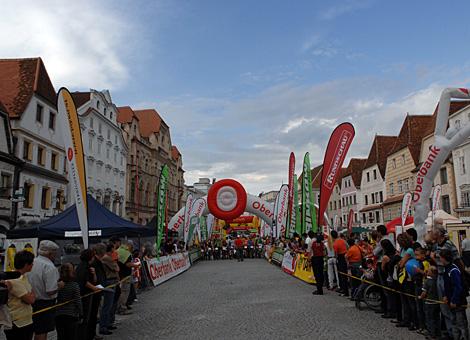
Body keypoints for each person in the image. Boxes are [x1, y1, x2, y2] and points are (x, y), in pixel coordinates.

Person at [431, 226, 466, 339]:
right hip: (440, 275)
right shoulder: (435, 245)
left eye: (433, 233)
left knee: (454, 308)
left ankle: (459, 334)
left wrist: (462, 275)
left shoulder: (448, 244)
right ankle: (450, 332)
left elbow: (456, 259)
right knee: (444, 306)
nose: (431, 234)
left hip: (449, 275)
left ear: (439, 234)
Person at [27, 240, 60, 340]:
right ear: (50, 253)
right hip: (44, 303)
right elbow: (50, 290)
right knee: (41, 331)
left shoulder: (32, 262)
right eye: (55, 253)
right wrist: (60, 285)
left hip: (29, 301)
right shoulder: (49, 267)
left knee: (31, 330)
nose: (56, 255)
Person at [4, 251, 35, 340]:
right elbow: (30, 300)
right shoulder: (15, 281)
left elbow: (33, 295)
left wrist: (31, 295)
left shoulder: (24, 278)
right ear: (26, 265)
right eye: (31, 263)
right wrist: (30, 294)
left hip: (25, 321)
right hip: (18, 323)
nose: (33, 265)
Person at [440, 248, 469, 340]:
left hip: (458, 302)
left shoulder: (453, 270)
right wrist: (445, 295)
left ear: (444, 258)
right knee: (454, 322)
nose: (440, 260)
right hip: (450, 301)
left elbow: (458, 287)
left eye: (440, 258)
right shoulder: (446, 269)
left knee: (461, 323)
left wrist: (454, 300)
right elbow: (446, 285)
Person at [75, 248, 101, 340]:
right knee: (84, 318)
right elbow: (84, 281)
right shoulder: (83, 266)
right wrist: (94, 288)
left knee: (89, 317)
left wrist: (94, 274)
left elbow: (93, 280)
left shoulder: (89, 266)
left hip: (89, 295)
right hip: (84, 295)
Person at [55, 263, 82, 340]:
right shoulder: (74, 285)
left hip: (59, 314)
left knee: (60, 336)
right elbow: (78, 301)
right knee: (71, 336)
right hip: (71, 315)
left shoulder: (57, 285)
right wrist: (81, 313)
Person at [99, 243, 120, 336]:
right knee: (107, 305)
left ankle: (108, 323)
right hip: (110, 281)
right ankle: (104, 326)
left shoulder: (107, 258)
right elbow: (117, 268)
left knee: (111, 304)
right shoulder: (107, 258)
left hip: (112, 281)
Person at [117, 240, 138, 315]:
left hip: (118, 274)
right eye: (132, 247)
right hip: (125, 275)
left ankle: (119, 307)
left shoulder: (119, 250)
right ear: (130, 246)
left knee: (120, 292)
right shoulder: (127, 253)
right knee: (125, 292)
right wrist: (135, 265)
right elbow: (128, 264)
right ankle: (122, 308)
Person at [419, 266, 440, 339]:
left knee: (429, 319)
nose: (427, 271)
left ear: (431, 273)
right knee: (437, 318)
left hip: (429, 303)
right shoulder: (437, 280)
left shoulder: (427, 281)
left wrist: (420, 297)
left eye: (428, 270)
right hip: (437, 303)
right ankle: (438, 333)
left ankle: (432, 334)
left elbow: (424, 292)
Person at [332, 230, 349, 297]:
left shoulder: (335, 243)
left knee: (342, 275)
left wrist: (336, 260)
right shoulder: (342, 240)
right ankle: (344, 290)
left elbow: (335, 254)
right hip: (346, 256)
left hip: (341, 258)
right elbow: (348, 247)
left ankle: (345, 291)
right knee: (344, 274)